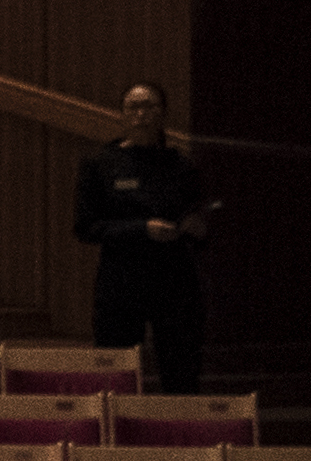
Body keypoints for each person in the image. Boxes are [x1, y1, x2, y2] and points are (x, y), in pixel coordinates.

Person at [72, 83, 213, 394]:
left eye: (148, 106)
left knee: (181, 375)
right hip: (122, 281)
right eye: (132, 107)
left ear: (162, 113)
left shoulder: (181, 165)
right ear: (122, 114)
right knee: (116, 376)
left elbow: (201, 221)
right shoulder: (100, 164)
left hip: (174, 281)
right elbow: (86, 228)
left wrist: (198, 229)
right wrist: (141, 229)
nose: (140, 114)